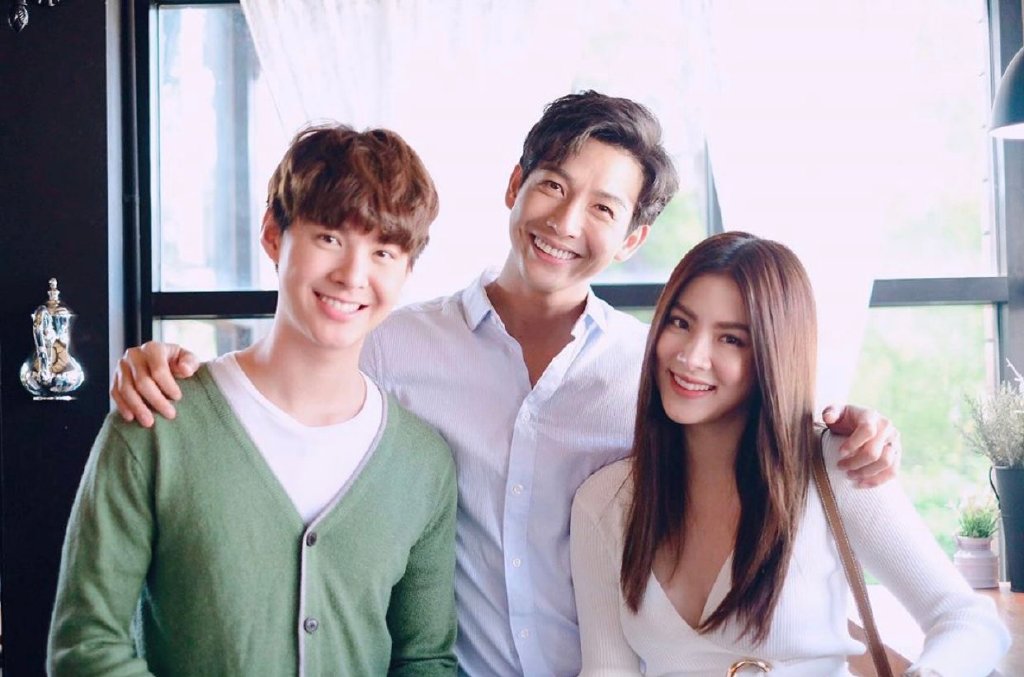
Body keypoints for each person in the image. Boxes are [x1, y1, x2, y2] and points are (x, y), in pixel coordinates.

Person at [108, 92, 902, 676]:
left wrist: (847, 429)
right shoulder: (393, 344)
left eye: (603, 207)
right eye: (552, 184)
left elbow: (756, 444)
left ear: (632, 239)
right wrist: (167, 363)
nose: (566, 221)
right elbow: (293, 379)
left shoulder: (658, 372)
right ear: (514, 183)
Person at [47, 125, 458, 675]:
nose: (353, 275)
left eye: (384, 251)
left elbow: (425, 659)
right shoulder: (159, 419)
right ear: (273, 236)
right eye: (329, 238)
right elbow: (85, 646)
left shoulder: (422, 463)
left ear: (407, 269)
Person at [569, 231, 1010, 676]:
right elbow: (607, 671)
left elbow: (969, 621)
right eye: (680, 323)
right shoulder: (605, 502)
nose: (692, 357)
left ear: (773, 355)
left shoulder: (835, 466)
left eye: (731, 339)